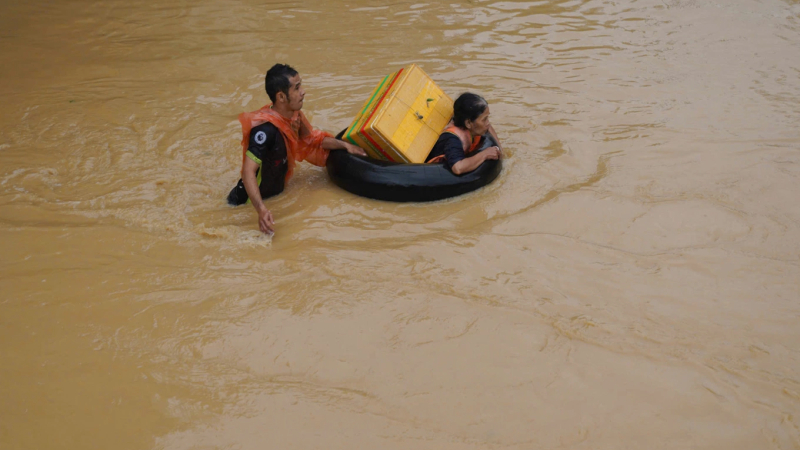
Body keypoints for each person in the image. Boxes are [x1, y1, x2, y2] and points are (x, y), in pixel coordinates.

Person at [227, 64, 366, 234]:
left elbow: (313, 141)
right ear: (281, 96)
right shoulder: (265, 130)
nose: (303, 92)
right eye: (297, 87)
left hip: (275, 200)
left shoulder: (294, 117)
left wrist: (345, 145)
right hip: (247, 207)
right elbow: (248, 172)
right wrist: (261, 210)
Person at [426, 92, 502, 174]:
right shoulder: (453, 139)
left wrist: (501, 151)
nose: (487, 123)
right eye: (484, 119)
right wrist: (485, 154)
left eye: (487, 117)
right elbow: (458, 168)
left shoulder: (475, 126)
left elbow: (489, 127)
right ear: (468, 123)